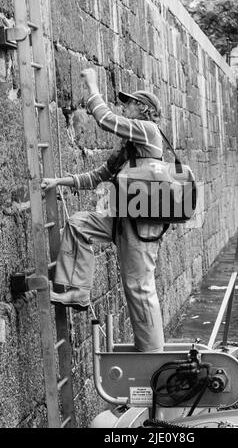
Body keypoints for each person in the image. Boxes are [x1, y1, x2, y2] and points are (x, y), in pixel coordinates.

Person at [41, 68, 165, 352]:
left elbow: (106, 119)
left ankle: (152, 356)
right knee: (79, 224)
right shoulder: (129, 149)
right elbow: (99, 175)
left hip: (142, 224)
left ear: (144, 109)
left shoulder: (149, 131)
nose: (125, 107)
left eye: (129, 104)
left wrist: (92, 84)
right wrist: (60, 181)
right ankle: (77, 292)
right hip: (124, 218)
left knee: (139, 287)